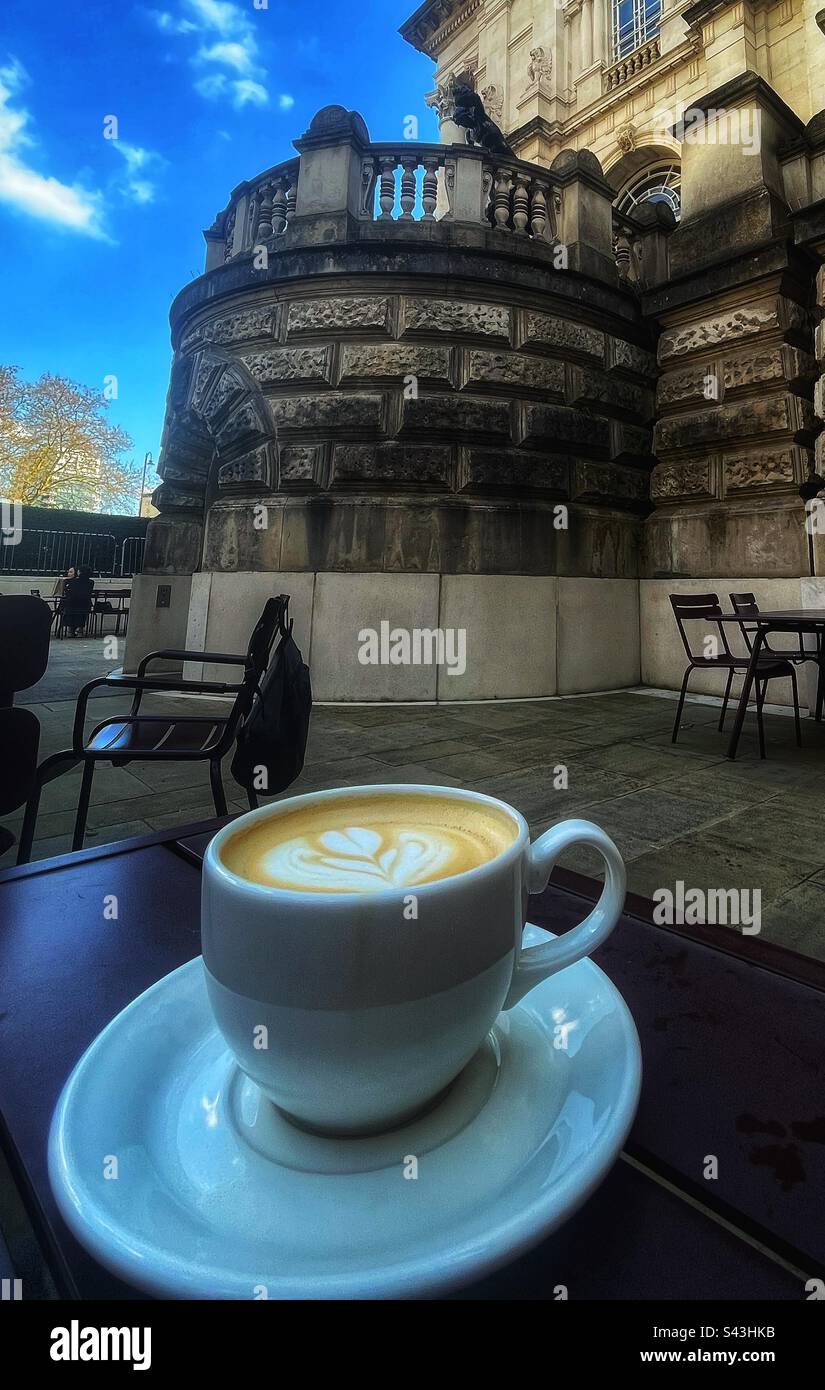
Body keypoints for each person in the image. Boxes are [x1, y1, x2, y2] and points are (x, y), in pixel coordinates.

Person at [59, 566, 94, 637]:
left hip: (71, 604)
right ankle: (80, 630)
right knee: (82, 609)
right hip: (85, 605)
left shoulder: (72, 581)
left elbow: (68, 592)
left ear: (79, 572)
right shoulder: (91, 582)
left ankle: (70, 630)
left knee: (68, 606)